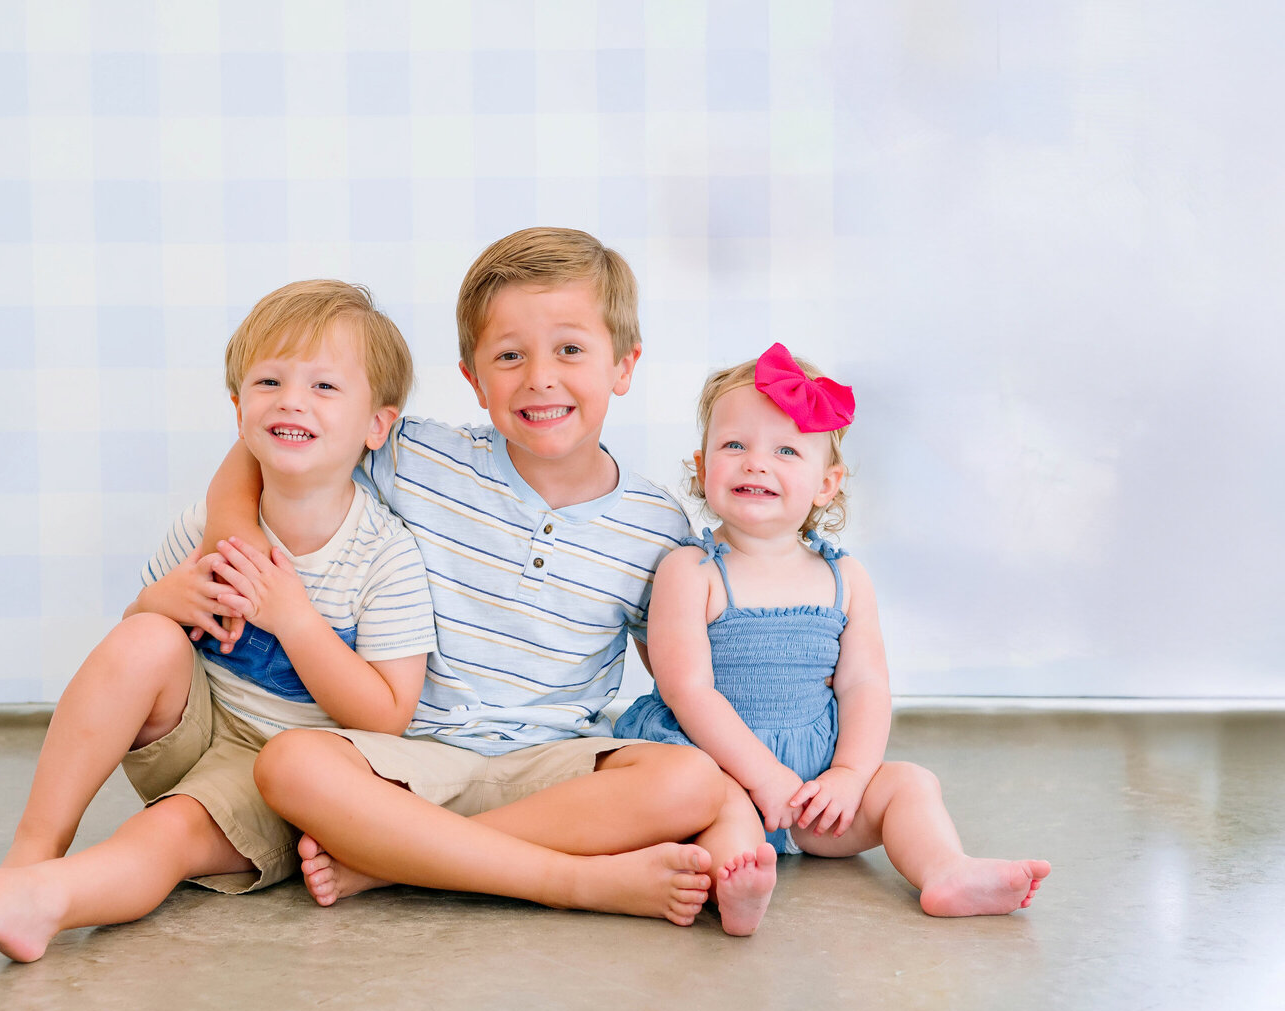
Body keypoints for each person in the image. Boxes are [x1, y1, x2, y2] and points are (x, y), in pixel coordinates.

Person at [206, 228, 764, 931]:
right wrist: (233, 543)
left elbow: (680, 672)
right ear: (473, 375)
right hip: (412, 761)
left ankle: (399, 861)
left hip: (556, 766)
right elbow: (258, 446)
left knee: (686, 780)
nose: (539, 377)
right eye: (509, 355)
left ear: (624, 364)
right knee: (291, 763)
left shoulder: (657, 524)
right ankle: (570, 878)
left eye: (570, 349)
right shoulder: (416, 456)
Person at [0, 279, 440, 961]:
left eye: (325, 387)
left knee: (168, 832)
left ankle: (50, 901)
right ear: (238, 408)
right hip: (196, 730)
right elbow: (132, 645)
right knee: (145, 638)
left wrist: (294, 618)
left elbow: (388, 715)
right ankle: (32, 850)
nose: (291, 400)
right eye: (269, 380)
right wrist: (164, 603)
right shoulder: (207, 525)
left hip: (284, 775)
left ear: (377, 424)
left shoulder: (383, 556)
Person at [613, 343, 1051, 932]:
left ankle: (946, 869)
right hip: (720, 765)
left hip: (816, 790)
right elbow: (687, 690)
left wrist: (847, 775)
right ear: (700, 466)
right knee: (721, 813)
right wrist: (763, 777)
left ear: (826, 483)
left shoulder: (844, 578)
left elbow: (865, 684)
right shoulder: (690, 571)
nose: (755, 463)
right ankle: (737, 888)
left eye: (785, 450)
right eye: (734, 445)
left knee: (910, 784)